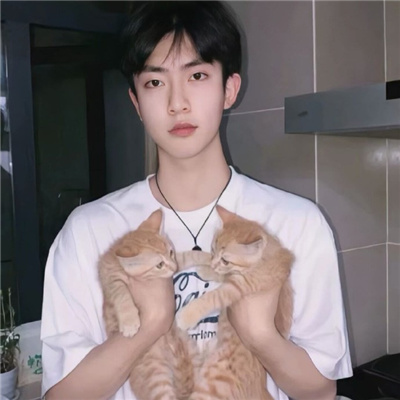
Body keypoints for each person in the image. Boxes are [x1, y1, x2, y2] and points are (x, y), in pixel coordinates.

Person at [41, 2, 352, 399]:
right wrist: (148, 325)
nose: (177, 102)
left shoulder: (297, 224)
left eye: (197, 75)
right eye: (155, 82)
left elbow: (321, 391)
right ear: (136, 102)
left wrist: (261, 335)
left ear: (229, 90)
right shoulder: (89, 232)